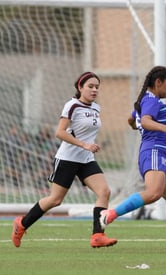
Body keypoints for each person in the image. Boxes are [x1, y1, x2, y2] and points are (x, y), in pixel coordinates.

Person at [11, 72, 117, 248]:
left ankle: (97, 235)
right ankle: (21, 224)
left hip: (86, 159)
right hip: (67, 158)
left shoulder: (96, 108)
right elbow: (59, 132)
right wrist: (83, 144)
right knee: (55, 200)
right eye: (90, 86)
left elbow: (86, 132)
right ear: (80, 87)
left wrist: (89, 146)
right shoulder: (72, 105)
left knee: (104, 192)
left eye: (97, 87)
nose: (94, 89)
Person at [99, 66, 166, 253]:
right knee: (153, 193)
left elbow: (132, 120)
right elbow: (147, 120)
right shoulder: (152, 100)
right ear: (158, 83)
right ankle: (109, 214)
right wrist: (163, 128)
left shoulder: (146, 100)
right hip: (154, 151)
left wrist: (138, 125)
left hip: (160, 156)